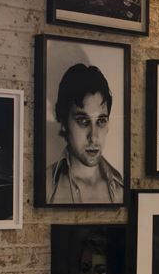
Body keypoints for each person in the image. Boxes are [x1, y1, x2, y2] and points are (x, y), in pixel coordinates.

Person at [46, 63, 123, 204]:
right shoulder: (46, 187)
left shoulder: (121, 187)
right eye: (82, 121)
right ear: (63, 122)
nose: (93, 137)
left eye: (101, 121)